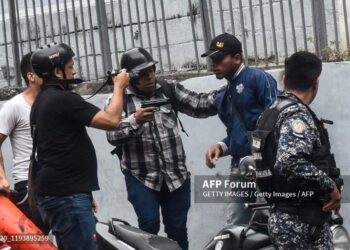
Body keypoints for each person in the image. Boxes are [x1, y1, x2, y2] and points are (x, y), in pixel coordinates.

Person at [105, 47, 217, 250]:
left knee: (177, 231)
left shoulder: (168, 88)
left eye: (152, 70)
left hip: (176, 176)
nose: (150, 77)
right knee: (148, 227)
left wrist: (228, 90)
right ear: (129, 77)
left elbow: (200, 104)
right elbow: (111, 135)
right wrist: (134, 121)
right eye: (142, 74)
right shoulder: (119, 99)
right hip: (141, 177)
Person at [29, 43, 129, 250]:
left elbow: (61, 150)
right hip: (67, 198)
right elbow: (111, 120)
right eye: (70, 66)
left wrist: (84, 193)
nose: (74, 71)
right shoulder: (63, 99)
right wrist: (119, 87)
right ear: (58, 72)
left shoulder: (42, 101)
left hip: (66, 194)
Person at [251, 51, 342, 249]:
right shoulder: (295, 116)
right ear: (316, 82)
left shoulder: (271, 112)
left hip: (288, 216)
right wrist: (330, 188)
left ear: (284, 78)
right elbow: (289, 162)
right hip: (300, 221)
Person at [202, 33, 278, 225]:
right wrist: (220, 146)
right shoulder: (223, 94)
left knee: (272, 221)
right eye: (212, 60)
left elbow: (276, 120)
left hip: (264, 166)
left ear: (237, 58)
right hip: (239, 168)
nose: (214, 65)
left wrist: (267, 159)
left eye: (219, 59)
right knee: (236, 224)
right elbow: (237, 132)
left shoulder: (258, 79)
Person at [0, 52, 42, 219]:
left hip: (58, 183)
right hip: (29, 184)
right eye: (42, 70)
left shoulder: (53, 103)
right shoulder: (15, 106)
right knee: (34, 242)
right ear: (30, 76)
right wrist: (2, 177)